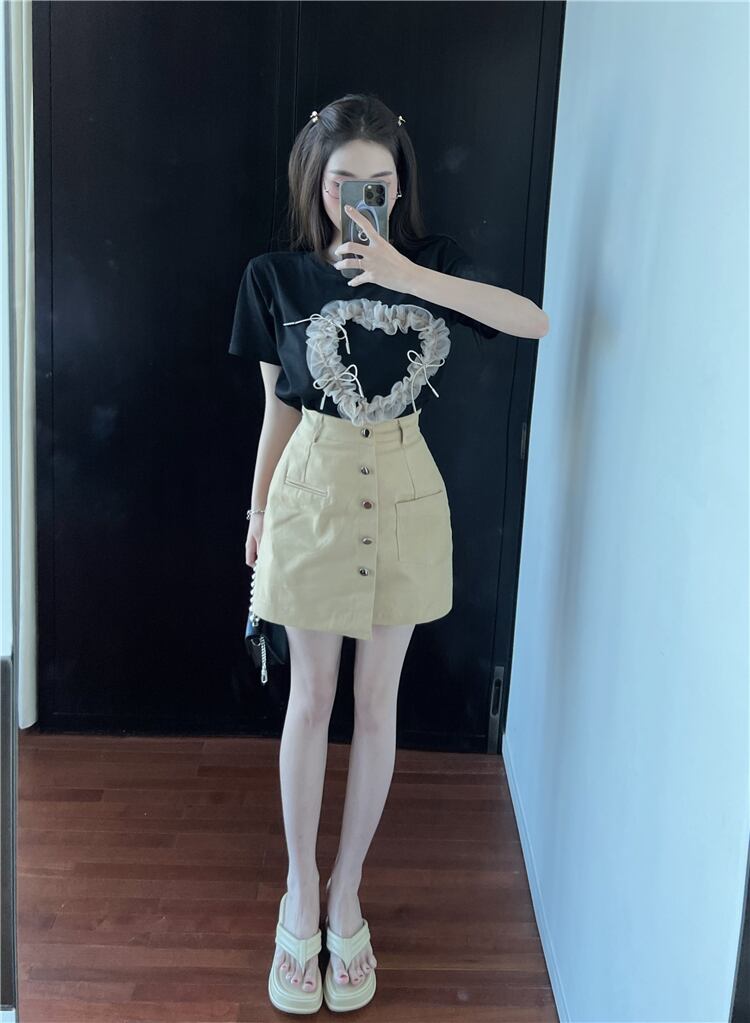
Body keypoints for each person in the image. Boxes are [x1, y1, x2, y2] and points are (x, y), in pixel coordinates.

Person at [228, 93, 549, 1014]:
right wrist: (256, 510)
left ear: (400, 187)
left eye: (380, 181)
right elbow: (278, 410)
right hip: (312, 492)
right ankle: (299, 893)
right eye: (344, 181)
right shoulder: (275, 277)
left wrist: (405, 272)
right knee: (310, 699)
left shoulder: (431, 264)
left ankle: (347, 892)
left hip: (405, 492)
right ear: (315, 181)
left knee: (378, 704)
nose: (360, 197)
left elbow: (531, 321)